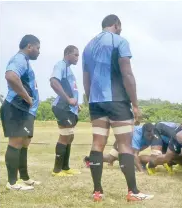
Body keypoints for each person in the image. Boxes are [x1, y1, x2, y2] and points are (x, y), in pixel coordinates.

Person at [82, 14, 153, 202]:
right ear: (116, 24)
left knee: (97, 144)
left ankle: (97, 192)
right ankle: (133, 192)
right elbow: (127, 73)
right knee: (124, 145)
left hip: (96, 102)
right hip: (117, 101)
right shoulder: (120, 41)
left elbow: (86, 78)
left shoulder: (88, 47)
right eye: (120, 27)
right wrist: (135, 104)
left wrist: (90, 101)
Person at [0, 34, 41, 191]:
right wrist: (27, 97)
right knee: (15, 143)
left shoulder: (25, 61)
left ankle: (25, 178)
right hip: (14, 106)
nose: (38, 51)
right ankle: (11, 183)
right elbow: (10, 76)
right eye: (37, 48)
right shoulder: (19, 59)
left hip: (23, 109)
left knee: (24, 143)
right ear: (29, 46)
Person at [50, 45, 81, 177]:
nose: (77, 58)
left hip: (70, 108)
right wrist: (68, 100)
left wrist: (76, 104)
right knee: (65, 135)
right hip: (62, 107)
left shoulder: (69, 70)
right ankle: (57, 170)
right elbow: (53, 82)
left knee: (70, 136)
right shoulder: (60, 65)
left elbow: (70, 88)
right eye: (75, 54)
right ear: (67, 53)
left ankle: (65, 167)